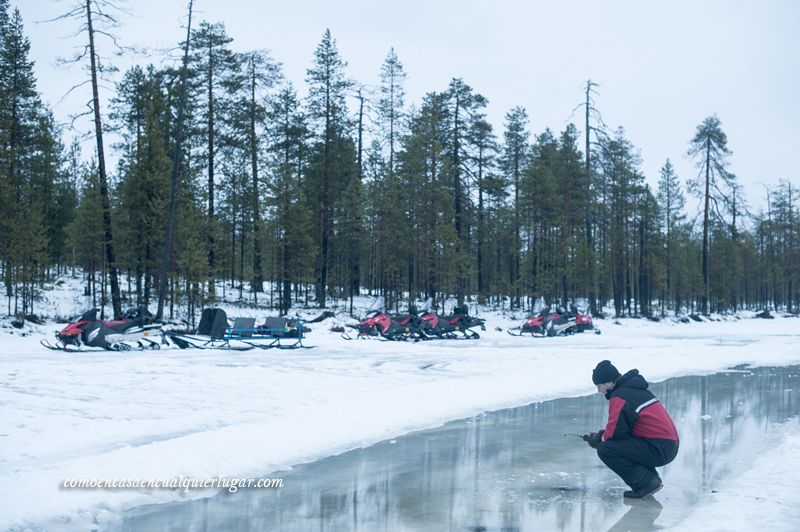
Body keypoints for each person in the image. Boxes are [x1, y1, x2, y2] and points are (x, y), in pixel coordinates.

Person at [584, 360, 679, 498]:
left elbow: (615, 434)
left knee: (606, 449)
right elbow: (622, 432)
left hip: (659, 448)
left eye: (599, 385)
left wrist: (597, 439)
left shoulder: (620, 396)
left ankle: (645, 484)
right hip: (667, 445)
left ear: (610, 382)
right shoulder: (635, 390)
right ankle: (652, 480)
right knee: (618, 445)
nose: (599, 390)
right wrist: (600, 437)